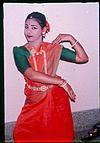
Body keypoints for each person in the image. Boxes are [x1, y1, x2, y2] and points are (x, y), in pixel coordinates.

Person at [13, 11, 89, 142]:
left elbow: (83, 58)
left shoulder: (53, 49)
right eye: (26, 27)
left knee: (57, 133)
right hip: (35, 98)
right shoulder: (19, 51)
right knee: (24, 131)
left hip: (56, 97)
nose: (28, 31)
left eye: (34, 27)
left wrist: (70, 38)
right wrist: (62, 82)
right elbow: (31, 74)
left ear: (43, 30)